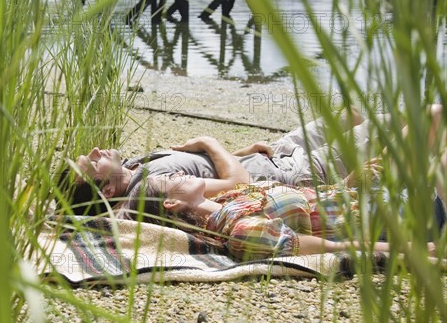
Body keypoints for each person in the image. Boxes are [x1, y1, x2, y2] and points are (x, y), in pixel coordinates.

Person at [120, 135, 442, 260]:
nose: (180, 173)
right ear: (171, 204)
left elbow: (311, 203)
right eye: (171, 178)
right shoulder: (242, 233)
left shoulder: (231, 199)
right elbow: (335, 248)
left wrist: (346, 185)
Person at [60, 107, 378, 215]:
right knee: (398, 129)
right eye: (91, 163)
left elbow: (204, 168)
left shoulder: (135, 166)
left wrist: (240, 151)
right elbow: (239, 186)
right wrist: (209, 142)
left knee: (350, 114)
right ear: (108, 193)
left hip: (270, 154)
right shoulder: (154, 187)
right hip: (293, 174)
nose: (95, 152)